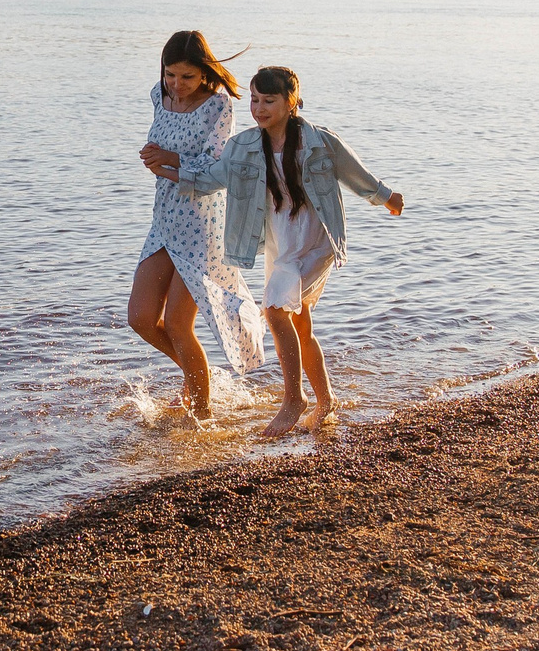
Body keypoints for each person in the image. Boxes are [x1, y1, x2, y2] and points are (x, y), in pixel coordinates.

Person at [162, 65, 403, 437]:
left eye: (269, 101)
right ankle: (326, 401)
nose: (259, 108)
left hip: (314, 237)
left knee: (275, 312)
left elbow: (356, 174)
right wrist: (171, 170)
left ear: (292, 103)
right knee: (299, 323)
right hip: (280, 239)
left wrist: (386, 197)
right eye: (255, 100)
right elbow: (212, 178)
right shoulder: (243, 145)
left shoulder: (320, 142)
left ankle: (294, 399)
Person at [127, 30, 266, 419]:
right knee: (139, 317)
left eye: (186, 77)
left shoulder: (217, 106)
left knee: (176, 324)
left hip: (202, 222)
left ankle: (201, 415)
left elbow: (219, 169)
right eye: (171, 74)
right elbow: (165, 148)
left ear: (205, 73)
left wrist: (167, 159)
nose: (177, 84)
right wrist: (155, 157)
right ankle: (198, 375)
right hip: (165, 218)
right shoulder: (160, 95)